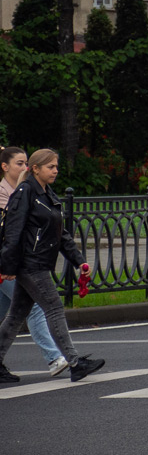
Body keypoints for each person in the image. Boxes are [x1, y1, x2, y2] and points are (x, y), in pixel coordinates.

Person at [0, 148, 104, 383]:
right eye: (51, 167)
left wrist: (79, 260)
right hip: (29, 264)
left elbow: (60, 233)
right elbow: (13, 232)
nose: (55, 171)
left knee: (16, 316)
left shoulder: (47, 194)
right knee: (54, 308)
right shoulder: (24, 192)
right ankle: (75, 362)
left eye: (56, 167)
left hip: (38, 262)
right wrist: (7, 267)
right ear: (35, 169)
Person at [0, 147, 66, 377]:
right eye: (19, 163)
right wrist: (7, 266)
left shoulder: (26, 189)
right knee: (38, 308)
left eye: (26, 162)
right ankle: (56, 358)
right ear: (4, 166)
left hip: (16, 260)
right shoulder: (8, 192)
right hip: (9, 262)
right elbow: (12, 230)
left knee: (12, 313)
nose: (24, 167)